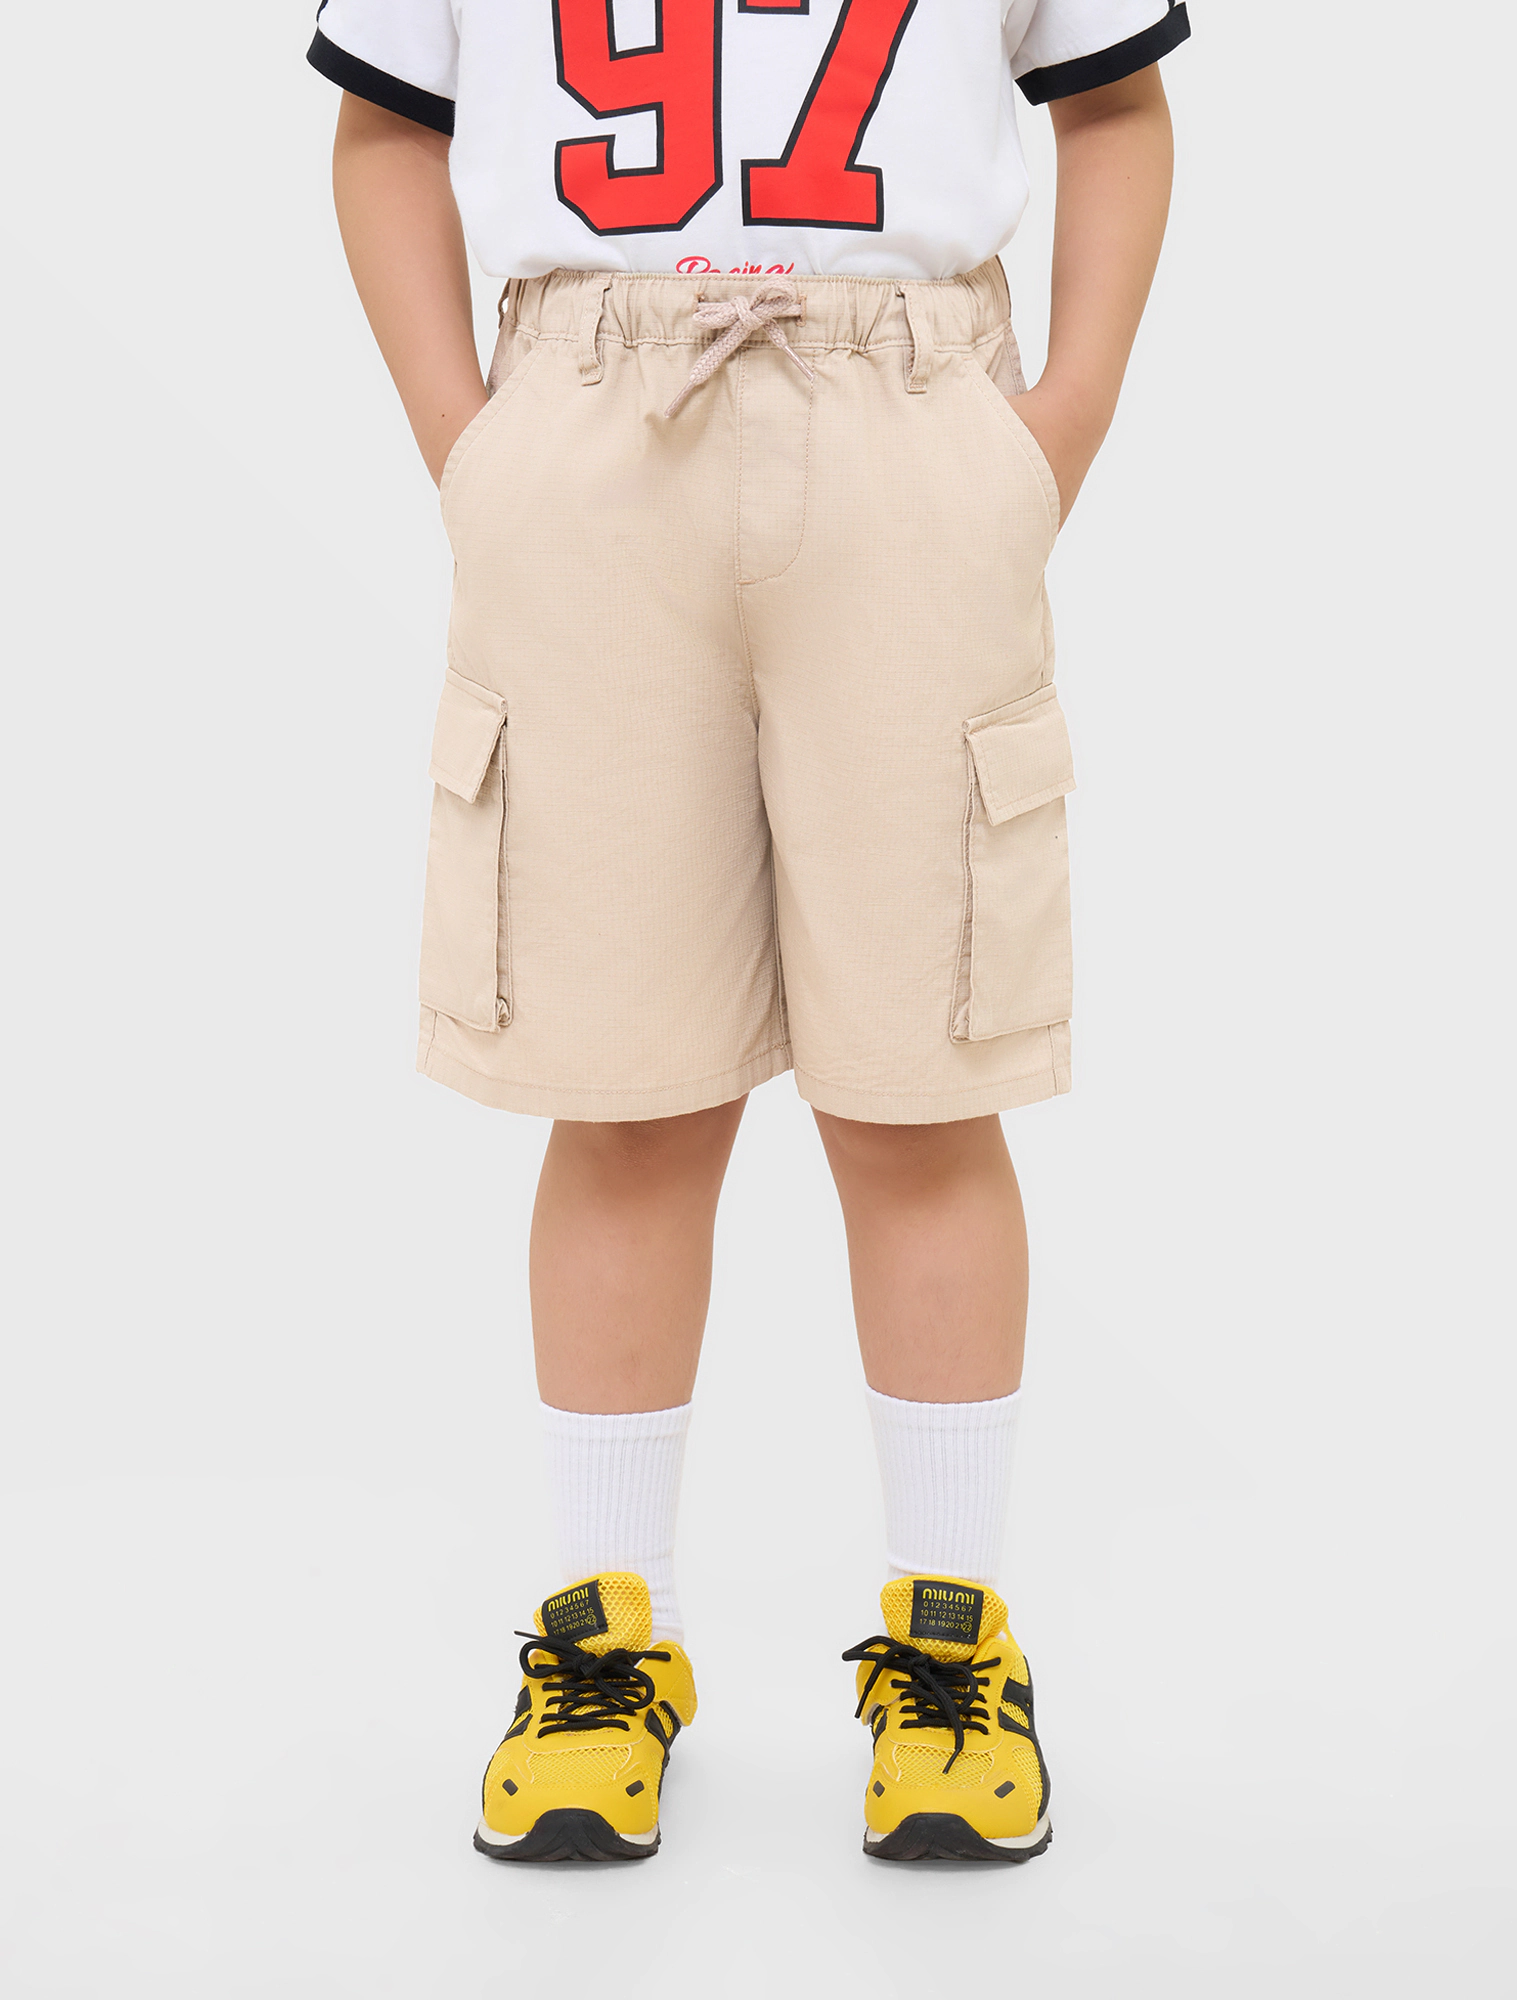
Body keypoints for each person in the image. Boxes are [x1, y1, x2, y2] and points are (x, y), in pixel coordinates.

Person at [310, 0, 1185, 1865]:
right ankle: (603, 1644)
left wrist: (1062, 423)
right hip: (588, 438)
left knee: (919, 1091)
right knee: (621, 1091)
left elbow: (1113, 102)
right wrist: (471, 448)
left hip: (910, 422)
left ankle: (950, 1649)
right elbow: (385, 124)